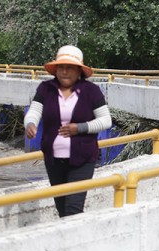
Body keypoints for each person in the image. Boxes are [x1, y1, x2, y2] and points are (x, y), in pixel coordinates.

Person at [24, 45, 112, 217]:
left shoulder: (91, 91)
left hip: (83, 158)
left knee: (73, 209)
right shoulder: (46, 89)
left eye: (69, 68)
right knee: (62, 208)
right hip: (53, 160)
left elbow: (105, 120)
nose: (64, 72)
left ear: (79, 71)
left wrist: (80, 128)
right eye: (61, 67)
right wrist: (30, 124)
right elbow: (34, 112)